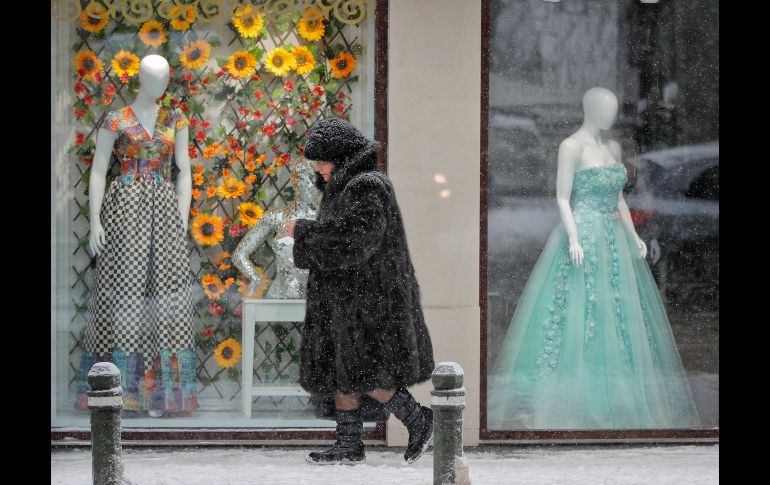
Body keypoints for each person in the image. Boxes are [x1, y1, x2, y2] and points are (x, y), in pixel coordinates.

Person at [487, 88, 699, 430]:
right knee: (575, 312)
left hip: (614, 240)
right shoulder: (571, 147)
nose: (610, 114)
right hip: (584, 235)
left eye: (613, 108)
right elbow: (561, 197)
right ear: (589, 108)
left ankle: (617, 392)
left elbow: (619, 201)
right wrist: (573, 237)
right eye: (605, 107)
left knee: (617, 311)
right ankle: (574, 395)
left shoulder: (612, 148)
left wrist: (633, 237)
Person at [286, 118, 435, 465]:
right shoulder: (347, 186)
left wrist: (304, 233)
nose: (318, 168)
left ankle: (418, 419)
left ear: (339, 157)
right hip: (348, 298)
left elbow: (355, 241)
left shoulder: (367, 186)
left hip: (368, 299)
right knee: (344, 371)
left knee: (362, 372)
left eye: (322, 160)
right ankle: (348, 445)